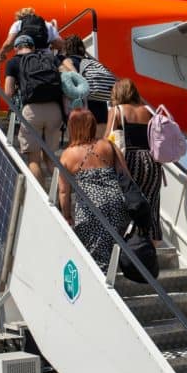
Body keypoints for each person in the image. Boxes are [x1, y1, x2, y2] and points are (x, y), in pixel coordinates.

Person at [59, 109, 130, 271]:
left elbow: (63, 192)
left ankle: (104, 284)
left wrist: (67, 215)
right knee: (112, 251)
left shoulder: (67, 155)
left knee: (95, 260)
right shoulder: (108, 145)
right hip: (117, 203)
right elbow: (126, 174)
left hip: (91, 209)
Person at [104, 79, 163, 242]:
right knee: (151, 204)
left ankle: (127, 243)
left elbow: (107, 139)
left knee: (129, 202)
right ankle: (149, 246)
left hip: (129, 160)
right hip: (152, 162)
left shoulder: (117, 110)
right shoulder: (148, 111)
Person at [4, 34, 63, 184]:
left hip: (32, 111)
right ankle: (65, 193)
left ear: (16, 48)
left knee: (34, 160)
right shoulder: (48, 58)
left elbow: (8, 92)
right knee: (50, 158)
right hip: (55, 110)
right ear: (33, 47)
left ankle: (42, 196)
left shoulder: (13, 62)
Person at [62, 34, 108, 138]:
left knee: (82, 145)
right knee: (98, 144)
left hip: (82, 112)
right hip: (101, 110)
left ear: (66, 49)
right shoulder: (93, 63)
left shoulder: (68, 63)